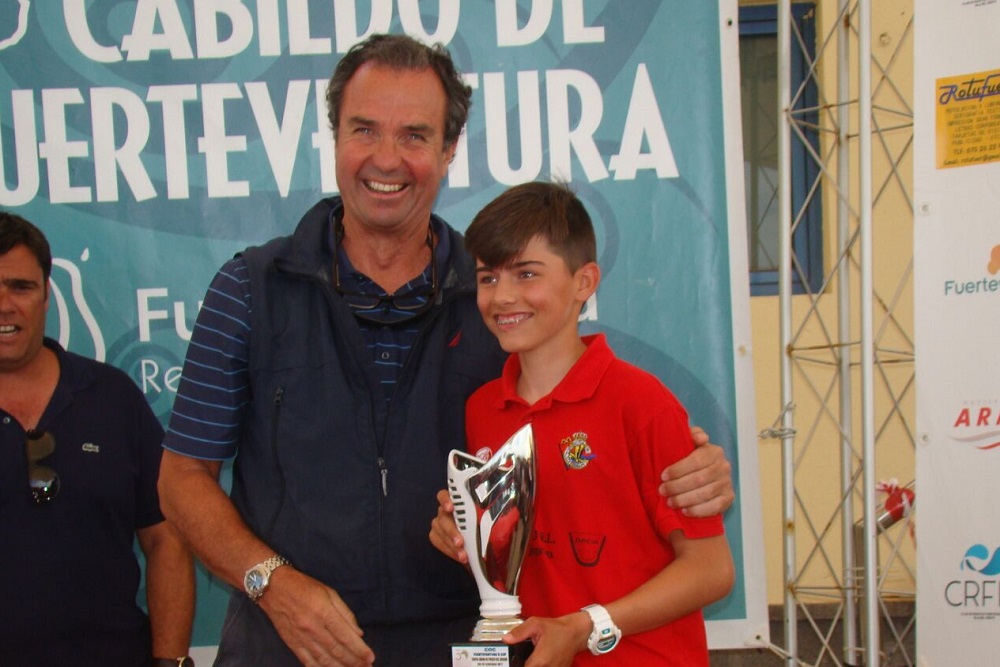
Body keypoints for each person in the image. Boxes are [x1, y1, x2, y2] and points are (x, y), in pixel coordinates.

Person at [157, 33, 734, 667]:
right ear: (335, 137)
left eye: (414, 135)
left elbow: (586, 428)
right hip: (287, 642)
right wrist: (273, 583)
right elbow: (181, 479)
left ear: (449, 148)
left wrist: (686, 467)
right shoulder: (250, 288)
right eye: (364, 130)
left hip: (465, 646)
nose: (386, 158)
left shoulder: (496, 304)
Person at [430, 181, 735, 665]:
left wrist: (585, 625)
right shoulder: (483, 409)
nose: (502, 296)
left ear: (584, 282)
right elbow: (518, 552)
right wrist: (463, 534)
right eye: (488, 278)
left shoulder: (641, 402)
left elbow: (711, 569)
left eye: (526, 274)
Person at [0, 212, 196, 667]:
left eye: (20, 287)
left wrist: (170, 662)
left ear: (46, 295)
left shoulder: (111, 397)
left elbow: (166, 537)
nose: (4, 304)